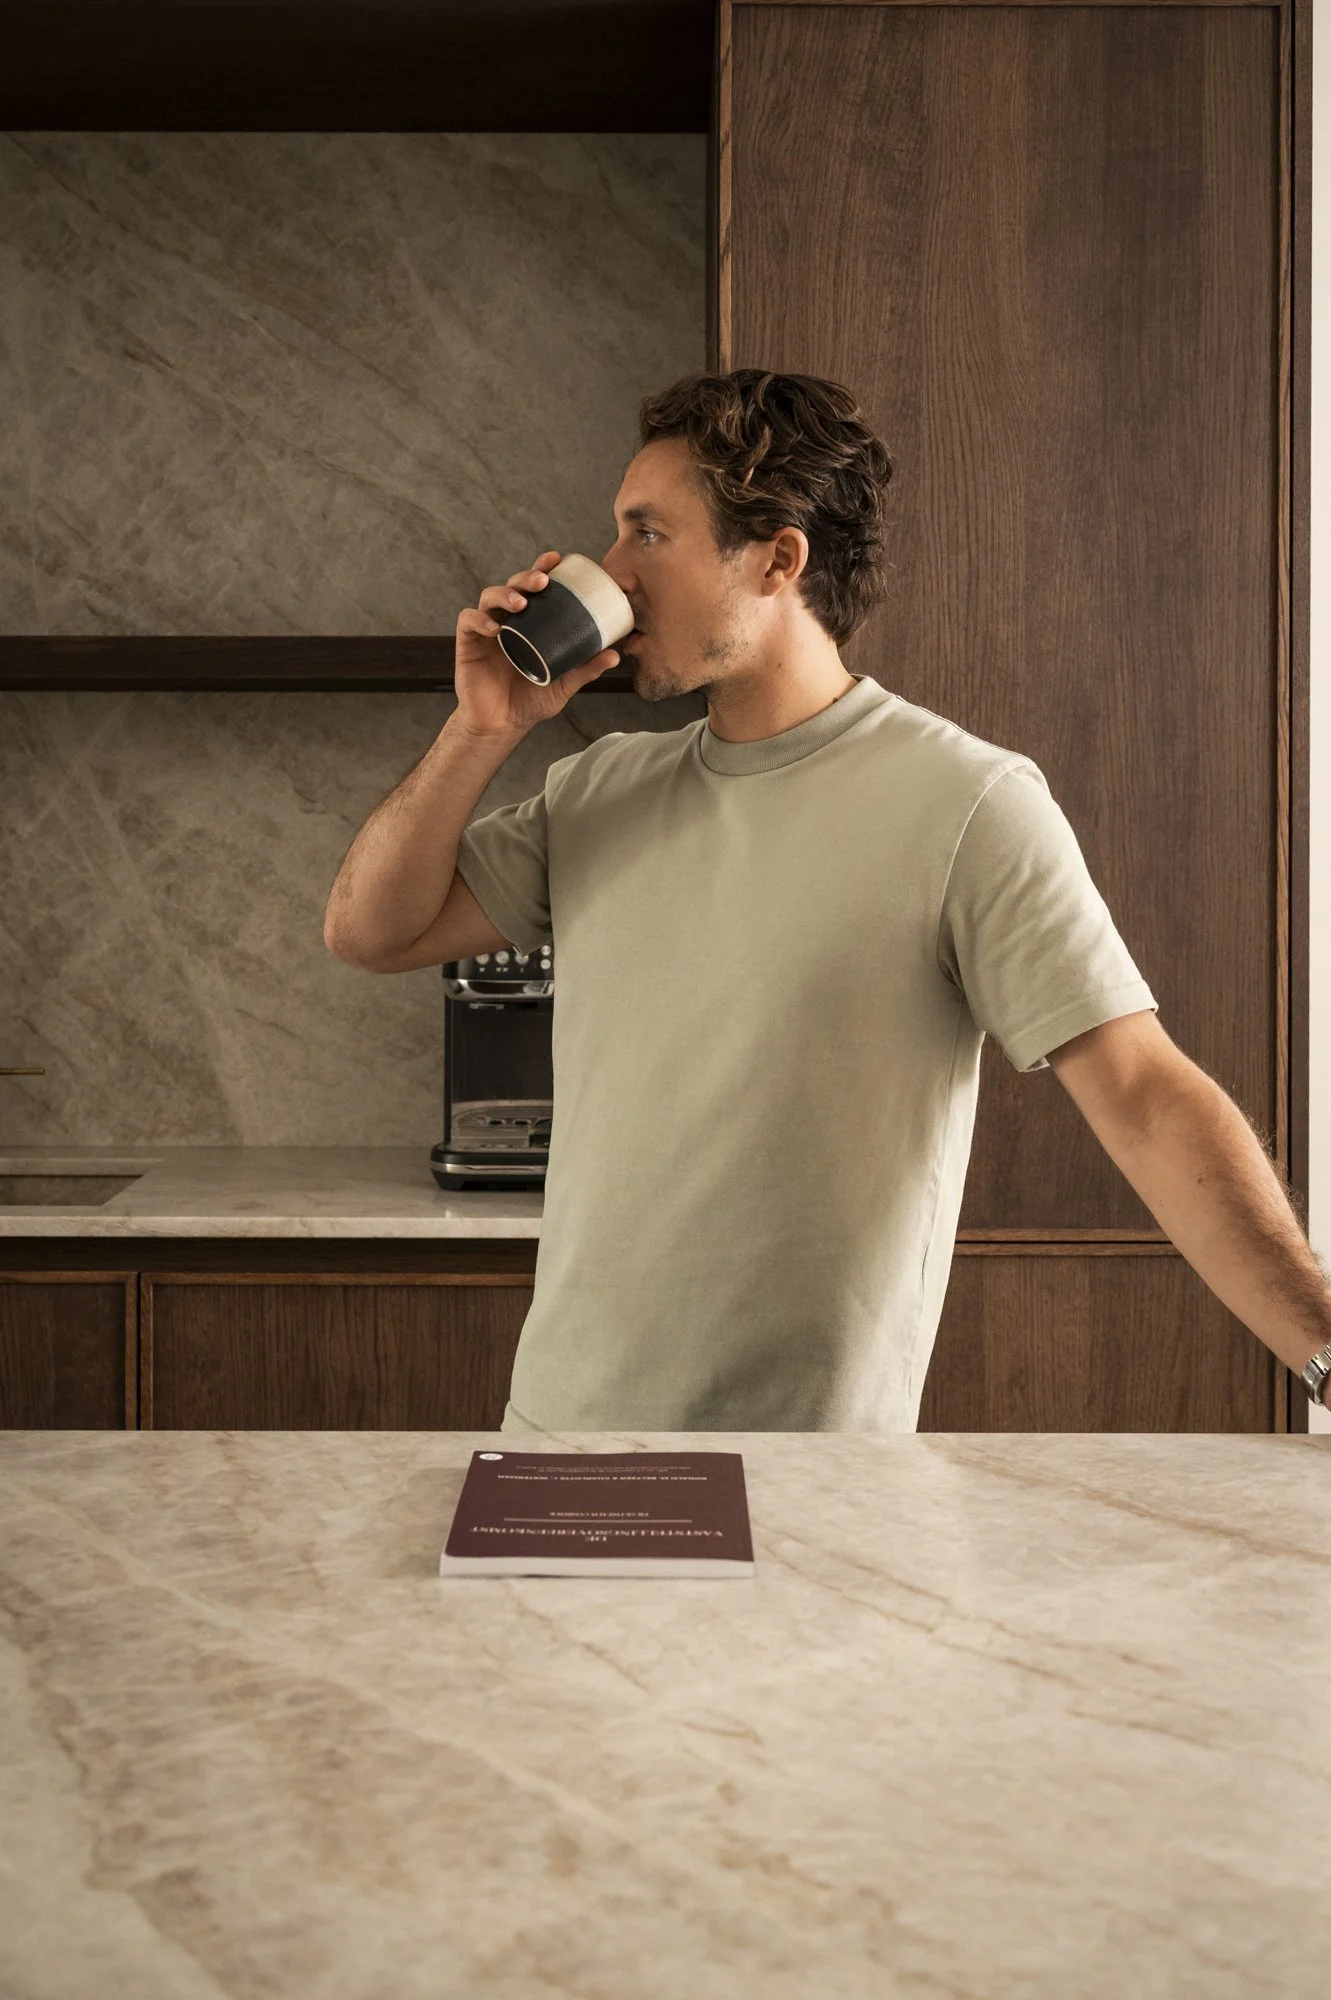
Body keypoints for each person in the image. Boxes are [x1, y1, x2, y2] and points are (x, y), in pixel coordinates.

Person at [324, 368, 1331, 1431]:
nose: (611, 573)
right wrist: (484, 728)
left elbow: (1142, 1095)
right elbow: (367, 930)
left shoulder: (967, 804)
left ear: (777, 557)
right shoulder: (596, 788)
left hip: (814, 1482)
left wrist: (1323, 1352)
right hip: (558, 1440)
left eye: (646, 536)